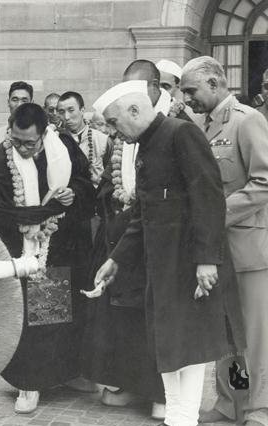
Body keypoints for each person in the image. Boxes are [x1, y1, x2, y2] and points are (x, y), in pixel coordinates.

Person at [88, 80, 246, 426]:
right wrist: (115, 259)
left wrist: (207, 260)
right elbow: (143, 215)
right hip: (160, 268)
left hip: (189, 265)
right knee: (169, 346)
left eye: (115, 122)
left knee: (189, 349)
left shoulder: (180, 134)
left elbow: (209, 199)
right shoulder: (145, 145)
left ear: (134, 110)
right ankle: (176, 417)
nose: (114, 131)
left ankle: (182, 418)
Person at [83, 59, 194, 419]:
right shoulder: (125, 127)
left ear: (154, 88)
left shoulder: (178, 127)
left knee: (156, 314)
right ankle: (130, 381)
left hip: (161, 239)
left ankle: (162, 394)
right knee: (126, 314)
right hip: (128, 232)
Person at [0, 103, 96, 414]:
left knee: (57, 313)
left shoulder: (65, 145)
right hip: (19, 245)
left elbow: (85, 185)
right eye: (16, 140)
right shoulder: (0, 157)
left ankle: (62, 375)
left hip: (60, 243)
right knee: (29, 317)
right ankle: (28, 382)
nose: (22, 148)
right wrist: (49, 209)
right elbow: (0, 204)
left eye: (29, 142)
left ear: (44, 134)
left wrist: (71, 194)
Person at [180, 56, 268, 426]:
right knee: (226, 331)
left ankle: (259, 408)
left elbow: (264, 182)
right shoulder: (201, 127)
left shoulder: (248, 121)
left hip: (248, 248)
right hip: (216, 250)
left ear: (215, 84)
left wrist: (216, 215)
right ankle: (230, 401)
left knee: (254, 333)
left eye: (191, 90)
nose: (187, 98)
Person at [57, 91, 108, 187]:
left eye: (71, 110)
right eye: (61, 112)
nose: (66, 117)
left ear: (82, 110)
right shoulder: (56, 141)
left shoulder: (102, 140)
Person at [0, 81, 34, 146]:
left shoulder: (42, 132)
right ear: (8, 102)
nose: (19, 105)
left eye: (24, 101)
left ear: (32, 103)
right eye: (15, 100)